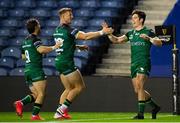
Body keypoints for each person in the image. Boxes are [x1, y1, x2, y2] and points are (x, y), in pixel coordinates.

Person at [53, 8, 113, 120]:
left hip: (59, 62)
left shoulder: (57, 30)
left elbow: (63, 44)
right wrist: (102, 32)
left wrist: (78, 47)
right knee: (79, 87)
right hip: (67, 62)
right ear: (62, 16)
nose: (72, 16)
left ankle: (60, 112)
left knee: (68, 88)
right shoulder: (68, 29)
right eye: (69, 14)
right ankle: (60, 110)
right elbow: (85, 36)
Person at [106, 10, 163, 119]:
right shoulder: (130, 33)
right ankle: (155, 107)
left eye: (135, 17)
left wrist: (149, 39)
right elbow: (117, 40)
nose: (133, 20)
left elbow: (159, 43)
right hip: (134, 64)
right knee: (137, 90)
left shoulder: (148, 31)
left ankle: (140, 114)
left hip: (144, 62)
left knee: (140, 86)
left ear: (141, 20)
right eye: (133, 17)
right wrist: (109, 34)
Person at [14, 18, 61, 120]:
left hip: (27, 71)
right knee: (41, 94)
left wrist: (32, 54)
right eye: (38, 25)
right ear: (35, 27)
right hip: (36, 70)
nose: (40, 26)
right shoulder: (35, 39)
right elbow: (41, 50)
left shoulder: (25, 41)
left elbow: (23, 57)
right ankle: (35, 115)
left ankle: (21, 103)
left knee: (35, 94)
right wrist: (54, 47)